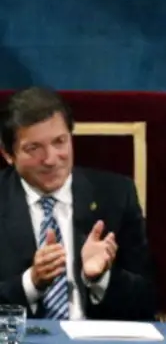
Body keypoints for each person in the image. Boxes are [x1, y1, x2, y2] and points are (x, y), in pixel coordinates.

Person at [0, 87, 156, 320]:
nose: (51, 159)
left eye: (59, 142)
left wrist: (101, 278)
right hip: (19, 340)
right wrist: (31, 282)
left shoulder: (115, 195)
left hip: (97, 341)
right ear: (8, 154)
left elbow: (146, 301)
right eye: (34, 148)